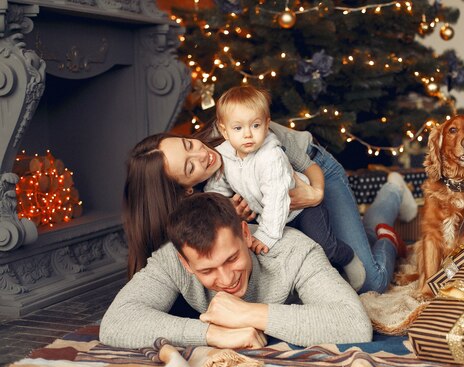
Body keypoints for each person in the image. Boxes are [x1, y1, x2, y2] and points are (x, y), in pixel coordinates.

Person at [124, 117, 416, 294]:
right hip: (291, 212)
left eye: (189, 144)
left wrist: (314, 193)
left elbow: (307, 164)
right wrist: (235, 216)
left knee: (372, 283)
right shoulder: (202, 200)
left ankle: (390, 207)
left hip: (315, 171)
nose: (202, 156)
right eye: (189, 167)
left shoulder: (233, 125)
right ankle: (371, 226)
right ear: (187, 188)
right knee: (339, 266)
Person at [100, 192, 373, 349]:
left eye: (231, 258)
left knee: (376, 267)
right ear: (186, 264)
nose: (226, 278)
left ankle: (385, 228)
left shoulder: (295, 250)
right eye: (208, 270)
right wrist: (212, 334)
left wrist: (247, 313)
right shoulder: (171, 259)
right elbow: (116, 322)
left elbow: (355, 324)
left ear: (244, 233)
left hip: (343, 264)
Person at [205, 86, 365, 289]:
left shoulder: (271, 156)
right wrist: (220, 206)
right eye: (238, 128)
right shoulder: (225, 156)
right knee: (294, 255)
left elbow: (276, 197)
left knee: (324, 246)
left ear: (267, 124)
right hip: (272, 215)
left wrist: (267, 235)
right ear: (224, 131)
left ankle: (347, 256)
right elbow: (217, 187)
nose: (247, 134)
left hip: (304, 207)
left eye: (255, 125)